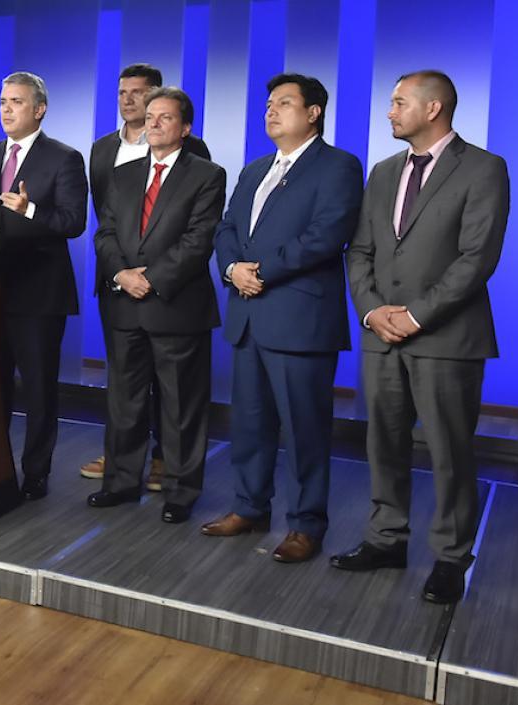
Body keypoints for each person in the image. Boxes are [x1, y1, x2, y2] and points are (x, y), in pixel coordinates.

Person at [333, 71, 510, 604]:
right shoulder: (383, 172)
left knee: (449, 451)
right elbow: (359, 250)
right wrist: (371, 312)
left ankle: (452, 558)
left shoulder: (484, 168)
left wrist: (414, 315)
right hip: (381, 335)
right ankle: (386, 538)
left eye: (398, 102)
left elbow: (477, 258)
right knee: (382, 444)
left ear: (433, 108)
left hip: (445, 338)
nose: (389, 111)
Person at [203, 74, 364, 563]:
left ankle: (306, 524)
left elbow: (326, 234)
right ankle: (250, 507)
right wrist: (232, 269)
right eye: (269, 103)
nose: (271, 111)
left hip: (299, 319)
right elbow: (227, 227)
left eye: (284, 103)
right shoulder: (254, 170)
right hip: (249, 314)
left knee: (304, 430)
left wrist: (262, 272)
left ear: (313, 112)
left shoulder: (338, 166)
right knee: (249, 425)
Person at [84, 87, 226, 525]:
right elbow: (105, 234)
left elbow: (199, 240)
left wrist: (153, 280)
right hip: (123, 303)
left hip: (176, 306)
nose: (154, 123)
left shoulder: (207, 174)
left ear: (185, 128)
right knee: (124, 402)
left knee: (180, 406)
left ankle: (181, 491)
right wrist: (122, 275)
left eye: (165, 117)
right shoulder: (123, 174)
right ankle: (121, 483)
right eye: (150, 117)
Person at [0, 72, 88, 500]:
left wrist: (29, 209)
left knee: (37, 390)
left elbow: (73, 222)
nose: (6, 109)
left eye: (16, 101)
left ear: (39, 109)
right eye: (2, 102)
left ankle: (36, 472)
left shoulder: (64, 158)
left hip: (38, 293)